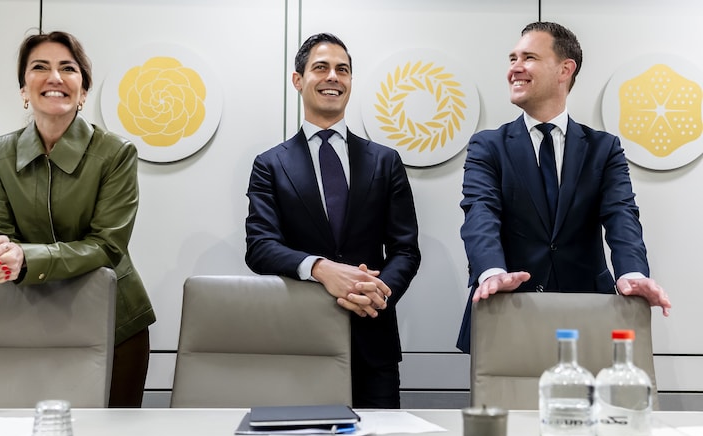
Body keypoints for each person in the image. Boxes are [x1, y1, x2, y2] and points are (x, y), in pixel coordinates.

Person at [457, 21, 671, 353]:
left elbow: (622, 215)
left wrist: (632, 272)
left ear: (564, 70)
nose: (514, 68)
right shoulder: (487, 146)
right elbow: (480, 213)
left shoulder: (603, 148)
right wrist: (492, 271)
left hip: (586, 315)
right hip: (507, 311)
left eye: (528, 57)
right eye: (511, 58)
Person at [0, 31, 155, 406]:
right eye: (39, 67)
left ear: (83, 91)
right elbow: (3, 233)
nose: (54, 77)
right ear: (24, 89)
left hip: (115, 320)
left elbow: (108, 246)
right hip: (35, 318)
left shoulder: (116, 153)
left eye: (67, 68)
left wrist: (28, 258)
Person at [245, 32, 421, 408]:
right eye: (320, 68)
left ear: (351, 82)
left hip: (373, 338)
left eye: (343, 70)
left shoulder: (385, 161)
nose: (333, 77)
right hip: (300, 341)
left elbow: (406, 250)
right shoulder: (270, 165)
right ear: (298, 80)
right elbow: (260, 247)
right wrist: (322, 269)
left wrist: (375, 295)